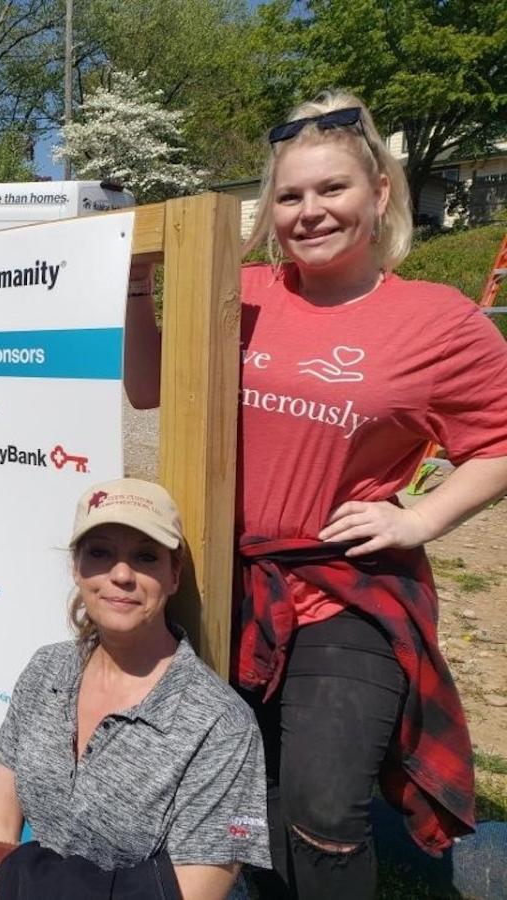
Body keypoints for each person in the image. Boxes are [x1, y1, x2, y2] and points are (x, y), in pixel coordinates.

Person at [123, 90, 507, 899]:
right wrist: (135, 291)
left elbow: (499, 440)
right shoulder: (244, 290)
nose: (310, 212)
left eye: (332, 190)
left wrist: (424, 516)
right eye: (290, 196)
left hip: (345, 588)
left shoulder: (437, 321)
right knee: (241, 783)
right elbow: (150, 387)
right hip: (226, 584)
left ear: (380, 194)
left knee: (324, 805)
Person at [0, 479, 271, 900]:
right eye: (100, 553)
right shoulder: (48, 669)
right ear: (76, 568)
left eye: (145, 557)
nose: (121, 574)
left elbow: (193, 891)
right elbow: (0, 821)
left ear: (174, 576)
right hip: (24, 889)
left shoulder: (221, 725)